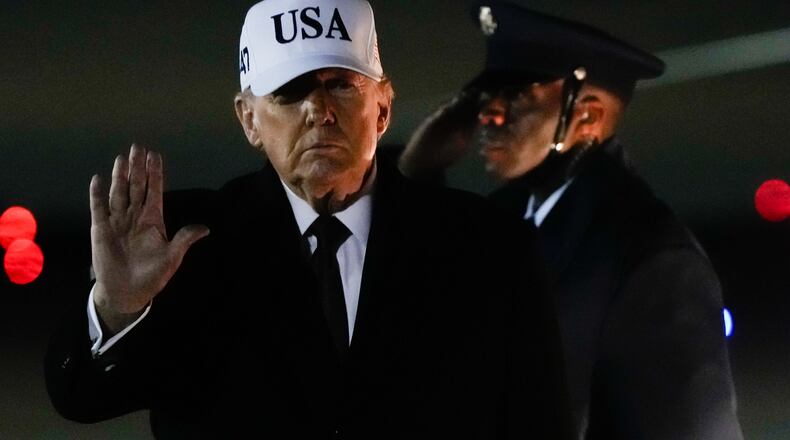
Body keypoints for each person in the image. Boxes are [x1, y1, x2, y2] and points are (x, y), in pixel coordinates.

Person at [44, 0, 572, 438]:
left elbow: (539, 423)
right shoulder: (183, 244)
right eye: (290, 92)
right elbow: (81, 399)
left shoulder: (488, 249)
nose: (319, 111)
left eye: (340, 84)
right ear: (249, 119)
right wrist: (116, 311)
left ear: (383, 109)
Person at [399, 2, 744, 439]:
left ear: (588, 116)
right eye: (486, 97)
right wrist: (417, 174)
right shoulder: (505, 220)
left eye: (517, 96)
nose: (489, 114)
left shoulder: (648, 257)